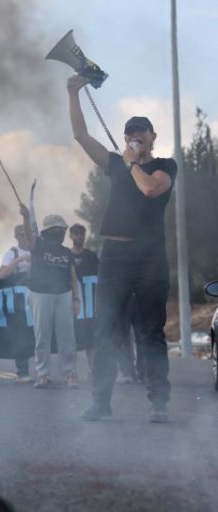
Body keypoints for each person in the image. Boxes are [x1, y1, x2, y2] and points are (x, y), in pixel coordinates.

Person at [68, 75, 176, 423]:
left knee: (150, 330)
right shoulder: (116, 164)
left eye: (142, 131)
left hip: (149, 258)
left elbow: (150, 190)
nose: (136, 135)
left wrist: (132, 163)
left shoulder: (164, 166)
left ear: (153, 136)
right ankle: (100, 402)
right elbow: (81, 136)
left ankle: (159, 403)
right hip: (114, 257)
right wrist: (73, 94)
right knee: (106, 329)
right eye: (131, 131)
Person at [19, 206, 80, 389]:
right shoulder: (37, 245)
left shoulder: (66, 252)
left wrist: (76, 300)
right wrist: (26, 218)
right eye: (56, 229)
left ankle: (69, 373)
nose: (59, 232)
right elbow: (29, 237)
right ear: (47, 231)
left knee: (67, 337)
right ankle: (42, 374)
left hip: (64, 294)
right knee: (42, 335)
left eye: (61, 229)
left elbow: (73, 277)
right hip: (40, 294)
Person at [0, 224, 32, 383]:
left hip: (37, 295)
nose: (24, 237)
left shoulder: (37, 251)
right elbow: (2, 274)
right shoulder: (12, 253)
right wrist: (17, 260)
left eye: (26, 234)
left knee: (40, 333)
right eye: (21, 235)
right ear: (16, 237)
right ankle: (22, 371)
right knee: (21, 334)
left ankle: (43, 371)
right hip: (19, 300)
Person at [69, 223, 99, 374]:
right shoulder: (66, 256)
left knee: (91, 341)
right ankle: (71, 372)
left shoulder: (91, 256)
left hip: (90, 307)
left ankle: (93, 370)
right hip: (73, 306)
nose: (80, 236)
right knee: (72, 341)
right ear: (71, 236)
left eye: (82, 233)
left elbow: (100, 278)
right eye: (76, 233)